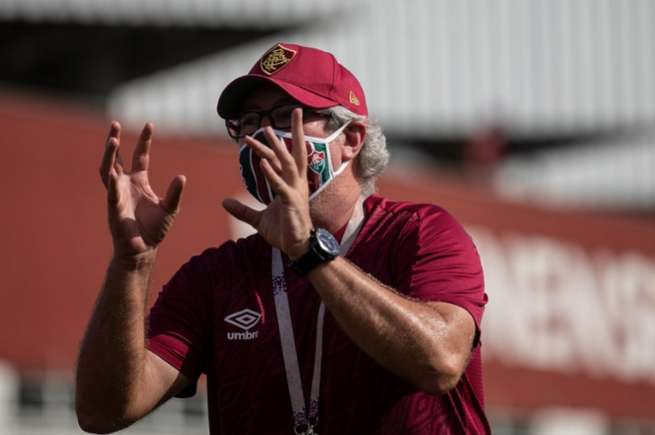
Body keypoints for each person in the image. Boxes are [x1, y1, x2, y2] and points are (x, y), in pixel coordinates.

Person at [75, 42, 490, 434]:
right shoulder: (217, 276)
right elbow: (103, 410)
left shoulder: (421, 233)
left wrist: (309, 251)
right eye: (250, 123)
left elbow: (440, 361)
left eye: (284, 116)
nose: (261, 137)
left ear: (349, 140)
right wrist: (132, 262)